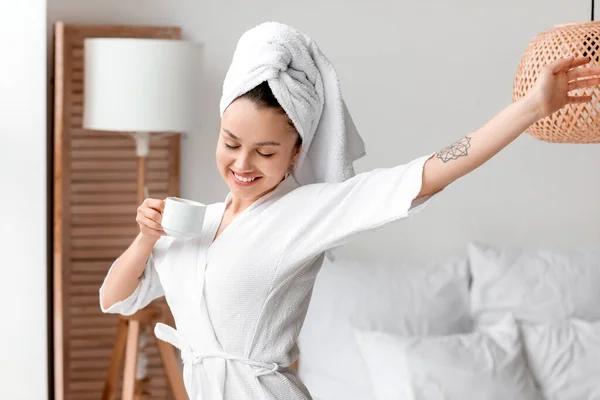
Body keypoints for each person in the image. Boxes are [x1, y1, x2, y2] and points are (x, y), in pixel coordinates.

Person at [99, 21, 600, 400]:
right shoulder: (197, 224)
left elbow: (427, 173)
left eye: (267, 152)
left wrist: (530, 108)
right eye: (231, 143)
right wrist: (146, 237)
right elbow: (114, 299)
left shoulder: (307, 212)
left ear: (296, 153)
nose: (243, 164)